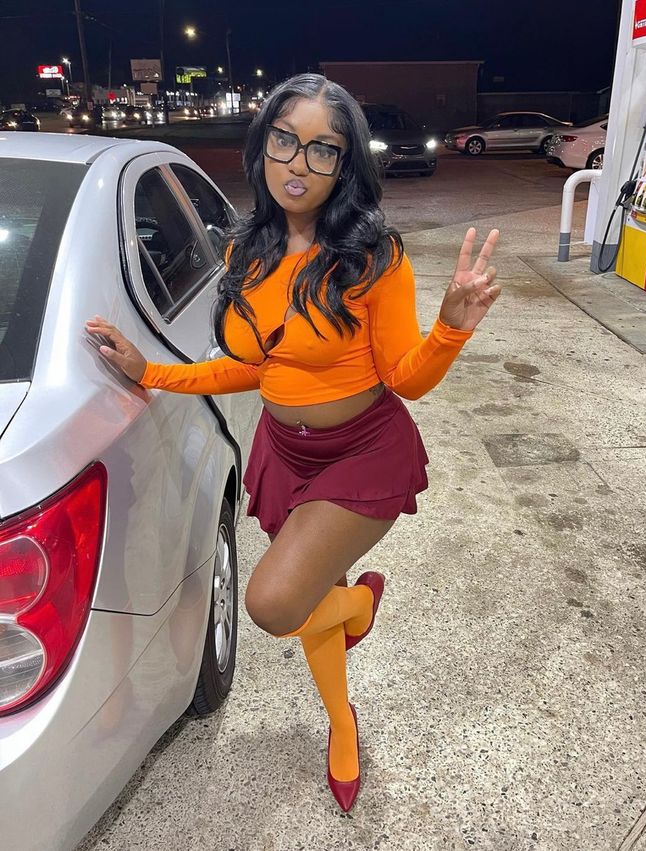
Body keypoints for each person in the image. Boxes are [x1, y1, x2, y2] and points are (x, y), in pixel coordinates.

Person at [85, 73, 501, 812]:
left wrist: (451, 326)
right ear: (262, 145)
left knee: (276, 602)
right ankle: (341, 716)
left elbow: (406, 379)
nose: (298, 164)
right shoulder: (248, 251)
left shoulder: (371, 256)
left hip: (361, 453)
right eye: (285, 140)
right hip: (286, 451)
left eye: (322, 149)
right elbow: (251, 364)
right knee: (320, 596)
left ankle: (355, 614)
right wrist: (147, 370)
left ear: (344, 165)